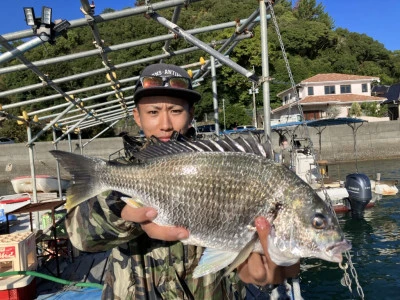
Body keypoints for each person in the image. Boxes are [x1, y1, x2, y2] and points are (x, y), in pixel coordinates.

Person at [65, 63, 299, 299]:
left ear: (191, 114)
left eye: (176, 111)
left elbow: (240, 252)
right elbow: (79, 237)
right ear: (137, 116)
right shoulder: (122, 172)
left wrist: (262, 267)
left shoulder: (220, 165)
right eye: (153, 112)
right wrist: (122, 211)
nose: (165, 124)